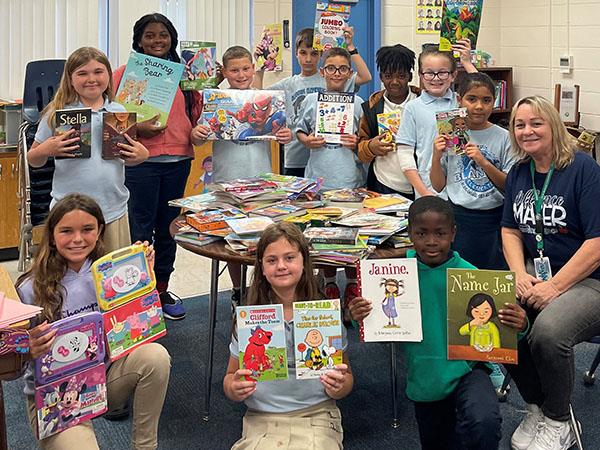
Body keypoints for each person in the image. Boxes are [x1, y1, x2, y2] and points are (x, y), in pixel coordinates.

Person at [350, 196, 527, 450]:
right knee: (437, 442)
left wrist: (520, 325)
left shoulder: (472, 276)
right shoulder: (396, 274)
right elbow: (377, 328)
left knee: (484, 423)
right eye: (421, 233)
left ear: (453, 233)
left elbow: (508, 334)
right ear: (410, 233)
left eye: (440, 233)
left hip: (469, 371)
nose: (432, 242)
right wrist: (360, 316)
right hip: (426, 378)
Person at [16, 193, 171, 450]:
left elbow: (141, 330)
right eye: (66, 231)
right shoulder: (29, 288)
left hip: (103, 378)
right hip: (55, 396)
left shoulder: (112, 274)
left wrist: (143, 285)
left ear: (100, 231)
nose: (78, 239)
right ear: (52, 235)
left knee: (156, 356)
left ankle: (145, 446)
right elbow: (10, 367)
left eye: (87, 229)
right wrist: (26, 347)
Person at [501, 95, 600, 450]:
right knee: (497, 320)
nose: (527, 131)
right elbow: (511, 229)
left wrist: (555, 286)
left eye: (536, 123)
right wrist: (516, 273)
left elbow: (597, 243)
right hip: (538, 272)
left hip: (589, 280)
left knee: (547, 331)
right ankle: (535, 407)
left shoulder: (583, 169)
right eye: (520, 125)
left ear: (553, 126)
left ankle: (559, 420)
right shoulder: (519, 171)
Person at [223, 222, 353, 449]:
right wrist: (233, 389)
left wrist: (341, 386)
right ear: (261, 267)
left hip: (317, 415)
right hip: (262, 418)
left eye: (289, 258)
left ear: (304, 262)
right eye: (272, 260)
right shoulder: (250, 321)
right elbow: (231, 376)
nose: (281, 266)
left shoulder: (324, 316)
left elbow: (347, 375)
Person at [113, 13, 204, 321]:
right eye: (149, 35)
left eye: (162, 35)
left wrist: (210, 81)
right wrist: (138, 128)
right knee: (140, 229)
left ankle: (161, 289)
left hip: (178, 160)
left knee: (169, 229)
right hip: (141, 161)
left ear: (172, 39)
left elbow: (200, 114)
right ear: (138, 39)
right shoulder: (124, 74)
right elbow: (111, 120)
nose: (156, 41)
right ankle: (139, 295)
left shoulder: (186, 76)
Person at [193, 45, 293, 312]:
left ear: (253, 68)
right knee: (232, 240)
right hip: (226, 183)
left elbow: (284, 132)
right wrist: (199, 133)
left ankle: (264, 287)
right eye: (234, 70)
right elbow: (195, 135)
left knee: (265, 238)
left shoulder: (266, 98)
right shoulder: (215, 99)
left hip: (262, 182)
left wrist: (286, 135)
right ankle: (238, 290)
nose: (240, 74)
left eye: (246, 68)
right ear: (224, 72)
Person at [27, 47, 149, 253]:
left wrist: (142, 155)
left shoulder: (118, 112)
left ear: (108, 77)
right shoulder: (56, 112)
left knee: (111, 275)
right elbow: (33, 159)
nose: (91, 79)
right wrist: (46, 149)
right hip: (69, 212)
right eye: (82, 73)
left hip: (112, 210)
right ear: (70, 79)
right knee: (68, 275)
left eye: (98, 72)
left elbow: (126, 157)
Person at [295, 47, 365, 318]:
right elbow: (299, 131)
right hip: (319, 180)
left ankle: (351, 284)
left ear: (349, 73)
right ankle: (329, 282)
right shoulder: (312, 100)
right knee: (323, 236)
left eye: (343, 69)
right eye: (331, 68)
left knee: (350, 236)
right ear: (323, 72)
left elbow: (365, 139)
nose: (337, 73)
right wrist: (306, 140)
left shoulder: (358, 104)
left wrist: (357, 141)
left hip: (351, 180)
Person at [254, 26, 372, 177]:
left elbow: (366, 77)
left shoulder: (332, 76)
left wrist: (350, 46)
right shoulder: (289, 83)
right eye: (303, 53)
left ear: (320, 55)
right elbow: (257, 96)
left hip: (328, 157)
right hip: (296, 156)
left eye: (314, 54)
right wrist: (260, 65)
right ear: (296, 53)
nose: (308, 59)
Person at [430, 72, 517, 269]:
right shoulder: (449, 133)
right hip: (459, 219)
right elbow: (437, 185)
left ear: (494, 102)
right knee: (461, 280)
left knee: (493, 279)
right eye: (472, 99)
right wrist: (436, 156)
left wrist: (483, 161)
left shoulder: (504, 137)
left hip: (494, 220)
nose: (479, 106)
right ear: (459, 100)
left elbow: (509, 185)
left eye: (486, 100)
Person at [395, 41, 477, 197]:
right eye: (429, 73)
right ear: (420, 75)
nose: (436, 78)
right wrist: (423, 192)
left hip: (464, 188)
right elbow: (405, 155)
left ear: (453, 75)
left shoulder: (461, 101)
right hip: (428, 189)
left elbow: (481, 90)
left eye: (443, 72)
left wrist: (466, 62)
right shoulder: (413, 108)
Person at [357, 44, 421, 198]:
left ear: (410, 76)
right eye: (388, 76)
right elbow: (360, 149)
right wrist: (371, 147)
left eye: (401, 76)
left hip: (420, 184)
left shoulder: (422, 103)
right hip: (384, 184)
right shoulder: (371, 107)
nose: (394, 81)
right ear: (381, 77)